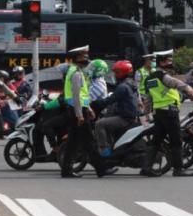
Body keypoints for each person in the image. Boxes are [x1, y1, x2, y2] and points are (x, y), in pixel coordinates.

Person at [141, 50, 193, 177]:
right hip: (170, 111)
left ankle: (146, 168)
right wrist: (188, 89)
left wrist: (147, 114)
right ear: (162, 62)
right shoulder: (162, 75)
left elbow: (148, 99)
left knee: (156, 140)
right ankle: (178, 169)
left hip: (158, 113)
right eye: (168, 61)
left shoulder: (149, 78)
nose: (171, 63)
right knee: (176, 140)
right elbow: (174, 83)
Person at [60, 45, 110, 178]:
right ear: (77, 58)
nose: (86, 59)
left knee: (73, 142)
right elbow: (76, 95)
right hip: (76, 110)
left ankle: (66, 170)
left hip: (78, 109)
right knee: (89, 141)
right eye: (83, 56)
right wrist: (80, 114)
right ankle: (101, 168)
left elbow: (84, 95)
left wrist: (88, 108)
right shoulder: (76, 72)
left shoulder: (78, 72)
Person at [94, 60, 141, 157]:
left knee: (99, 124)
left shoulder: (123, 87)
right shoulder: (131, 83)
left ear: (124, 73)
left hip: (125, 118)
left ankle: (104, 150)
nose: (115, 74)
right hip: (129, 115)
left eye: (117, 72)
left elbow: (110, 100)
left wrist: (95, 103)